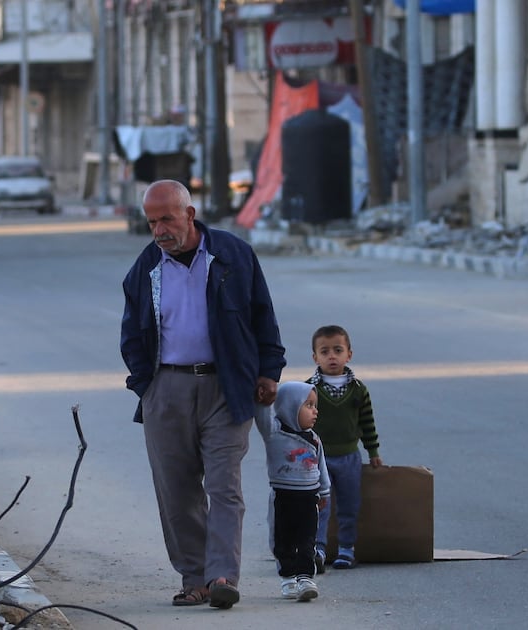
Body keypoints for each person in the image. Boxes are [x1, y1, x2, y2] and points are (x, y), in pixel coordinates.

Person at [120, 179, 286, 610]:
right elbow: (131, 334)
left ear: (189, 215)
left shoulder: (233, 255)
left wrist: (268, 372)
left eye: (167, 219)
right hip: (166, 389)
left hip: (226, 387)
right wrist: (146, 386)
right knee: (177, 491)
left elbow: (263, 316)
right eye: (152, 222)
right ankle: (194, 578)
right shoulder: (145, 269)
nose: (159, 230)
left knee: (223, 485)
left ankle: (222, 576)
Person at [306, 325, 382, 571]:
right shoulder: (309, 389)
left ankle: (346, 549)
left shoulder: (358, 390)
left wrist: (373, 452)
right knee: (318, 505)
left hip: (349, 457)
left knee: (349, 505)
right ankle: (317, 549)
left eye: (337, 350)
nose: (331, 356)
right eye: (324, 351)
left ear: (349, 354)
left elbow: (367, 423)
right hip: (318, 458)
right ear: (315, 357)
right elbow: (300, 424)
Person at [255, 381, 329, 602]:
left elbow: (321, 466)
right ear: (289, 406)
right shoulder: (274, 432)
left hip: (309, 498)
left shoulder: (314, 439)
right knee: (282, 539)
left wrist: (324, 492)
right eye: (308, 405)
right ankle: (288, 578)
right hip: (283, 497)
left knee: (307, 540)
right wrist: (264, 397)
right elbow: (262, 416)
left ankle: (306, 578)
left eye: (315, 405)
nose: (315, 411)